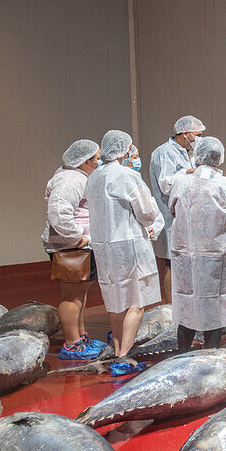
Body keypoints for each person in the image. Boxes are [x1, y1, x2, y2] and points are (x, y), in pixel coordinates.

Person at [169, 136, 226, 353]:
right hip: (217, 258)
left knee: (188, 306)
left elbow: (172, 209)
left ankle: (182, 354)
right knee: (214, 309)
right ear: (219, 157)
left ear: (197, 156)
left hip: (186, 255)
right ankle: (210, 356)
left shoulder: (181, 182)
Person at [86, 130, 164, 359]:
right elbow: (147, 212)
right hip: (129, 247)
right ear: (124, 150)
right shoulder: (126, 176)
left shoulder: (94, 177)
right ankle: (124, 356)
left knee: (116, 302)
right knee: (136, 302)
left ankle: (118, 349)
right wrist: (151, 221)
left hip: (104, 247)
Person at [42, 139, 105, 360]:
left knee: (80, 293)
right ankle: (71, 344)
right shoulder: (70, 180)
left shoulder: (79, 178)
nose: (99, 162)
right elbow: (59, 213)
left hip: (82, 244)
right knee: (71, 296)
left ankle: (80, 337)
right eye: (97, 159)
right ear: (86, 161)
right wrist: (76, 237)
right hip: (71, 247)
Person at [149, 115, 206, 302]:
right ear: (185, 133)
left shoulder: (186, 152)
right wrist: (189, 172)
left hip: (186, 214)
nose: (199, 139)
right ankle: (171, 305)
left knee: (184, 261)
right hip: (170, 214)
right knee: (171, 262)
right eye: (197, 135)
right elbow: (166, 184)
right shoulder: (164, 152)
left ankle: (185, 303)